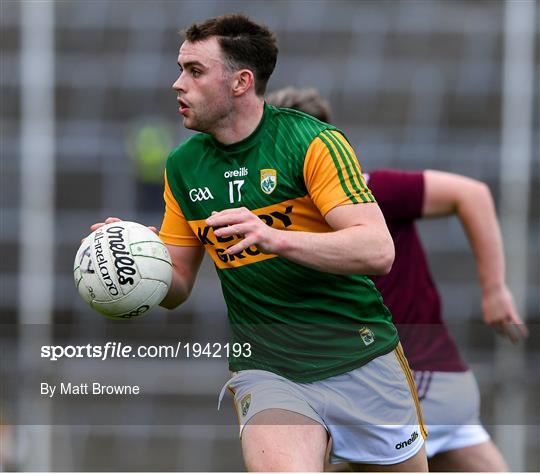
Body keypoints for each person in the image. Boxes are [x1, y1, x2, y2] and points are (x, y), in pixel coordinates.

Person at [91, 14, 428, 472]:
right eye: (180, 68)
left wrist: (275, 238)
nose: (177, 84)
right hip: (269, 367)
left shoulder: (312, 143)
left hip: (362, 355)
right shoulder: (183, 166)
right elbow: (178, 287)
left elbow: (377, 251)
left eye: (194, 71)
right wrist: (139, 260)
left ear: (241, 82)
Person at [266, 86, 528, 471]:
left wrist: (493, 288)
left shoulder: (371, 192)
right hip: (441, 382)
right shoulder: (285, 221)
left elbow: (471, 194)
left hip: (415, 380)